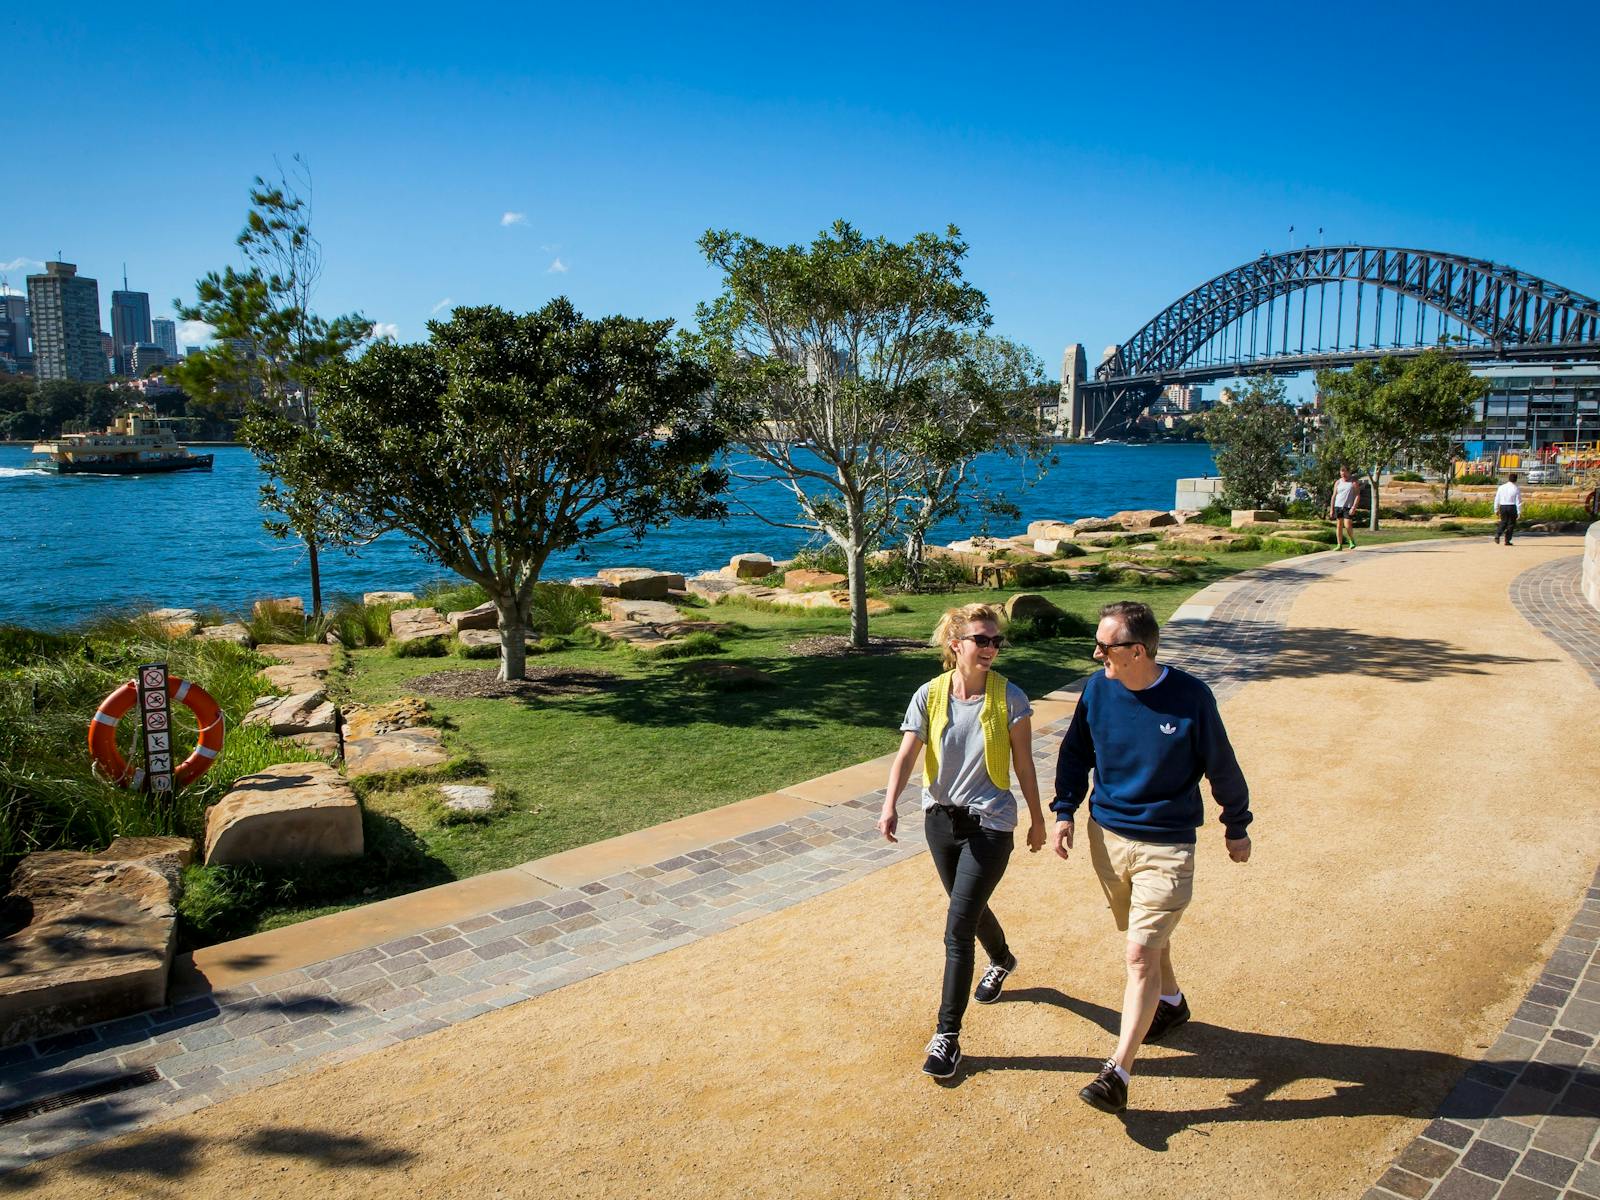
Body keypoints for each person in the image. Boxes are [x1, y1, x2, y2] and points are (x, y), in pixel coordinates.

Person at [1051, 600, 1253, 1112]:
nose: (1096, 653)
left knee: (1139, 954)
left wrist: (1236, 825)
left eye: (1105, 646)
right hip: (1108, 838)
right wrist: (1064, 811)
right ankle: (1172, 1002)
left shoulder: (1190, 698)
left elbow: (1221, 764)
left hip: (1167, 843)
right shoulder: (1098, 688)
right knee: (1146, 938)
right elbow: (1076, 752)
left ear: (1136, 651)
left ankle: (1118, 1070)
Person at [879, 603, 1046, 1078]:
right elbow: (907, 755)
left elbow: (1024, 764)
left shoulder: (1010, 697)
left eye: (996, 640)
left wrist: (1037, 818)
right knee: (965, 906)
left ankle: (946, 1036)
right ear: (956, 645)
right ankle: (1003, 958)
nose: (992, 647)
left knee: (957, 927)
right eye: (982, 639)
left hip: (990, 825)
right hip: (940, 822)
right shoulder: (929, 695)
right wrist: (889, 804)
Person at [1329, 466, 1360, 550]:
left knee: (1347, 525)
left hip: (1348, 507)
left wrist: (1354, 507)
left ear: (1349, 472)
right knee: (1339, 526)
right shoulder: (1338, 482)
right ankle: (1339, 545)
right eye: (1341, 473)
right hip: (1338, 506)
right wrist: (1331, 509)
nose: (1343, 475)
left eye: (1345, 473)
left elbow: (1357, 495)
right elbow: (1334, 495)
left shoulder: (1353, 482)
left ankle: (1351, 540)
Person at [1494, 473, 1522, 545]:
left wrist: (1496, 509)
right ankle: (1507, 540)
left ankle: (1498, 534)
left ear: (1508, 478)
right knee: (1511, 524)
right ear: (1516, 479)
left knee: (1503, 522)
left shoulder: (1501, 487)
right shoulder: (1516, 488)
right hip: (1512, 506)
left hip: (1503, 506)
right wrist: (1519, 512)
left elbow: (1497, 498)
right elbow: (1518, 501)